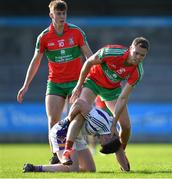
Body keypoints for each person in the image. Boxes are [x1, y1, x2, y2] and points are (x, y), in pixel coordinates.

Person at [16, 0, 93, 164]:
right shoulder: (44, 37)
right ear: (51, 15)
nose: (61, 16)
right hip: (55, 83)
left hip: (75, 82)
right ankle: (55, 156)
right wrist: (25, 85)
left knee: (76, 119)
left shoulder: (76, 32)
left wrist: (91, 80)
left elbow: (89, 57)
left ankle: (74, 151)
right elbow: (35, 61)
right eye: (58, 13)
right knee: (53, 120)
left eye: (63, 13)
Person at [62, 37, 150, 166]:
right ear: (130, 48)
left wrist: (114, 123)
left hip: (112, 90)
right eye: (136, 53)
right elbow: (88, 63)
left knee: (126, 126)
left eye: (142, 55)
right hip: (93, 82)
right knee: (79, 116)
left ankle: (121, 151)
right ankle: (66, 151)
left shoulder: (138, 72)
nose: (138, 57)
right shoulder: (111, 52)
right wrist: (79, 85)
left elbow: (123, 98)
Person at [23, 99, 129, 172]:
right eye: (103, 143)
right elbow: (79, 103)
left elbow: (118, 150)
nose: (100, 142)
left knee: (90, 169)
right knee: (72, 169)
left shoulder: (112, 131)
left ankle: (62, 165)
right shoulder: (100, 122)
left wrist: (126, 170)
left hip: (77, 137)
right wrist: (68, 119)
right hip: (62, 132)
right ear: (109, 137)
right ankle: (35, 168)